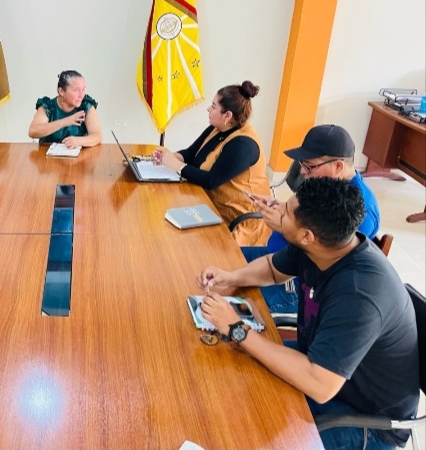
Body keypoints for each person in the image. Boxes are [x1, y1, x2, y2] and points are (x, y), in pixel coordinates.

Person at [197, 177, 418, 450]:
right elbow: (273, 269)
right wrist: (232, 277)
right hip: (319, 365)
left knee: (246, 435)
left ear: (307, 236)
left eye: (286, 212)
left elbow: (319, 385)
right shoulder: (323, 245)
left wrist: (237, 328)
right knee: (225, 371)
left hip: (364, 419)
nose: (278, 209)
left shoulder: (360, 294)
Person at [242, 124, 381, 314]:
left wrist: (282, 225)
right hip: (276, 260)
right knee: (220, 261)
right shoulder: (326, 186)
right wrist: (282, 208)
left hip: (300, 283)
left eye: (309, 166)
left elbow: (324, 260)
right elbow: (311, 220)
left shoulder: (358, 211)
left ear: (338, 166)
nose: (303, 172)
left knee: (228, 299)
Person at [151, 81, 271, 246]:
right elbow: (191, 153)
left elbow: (210, 180)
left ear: (227, 115)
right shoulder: (218, 128)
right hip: (209, 206)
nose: (208, 109)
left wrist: (176, 165)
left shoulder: (243, 145)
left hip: (239, 222)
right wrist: (170, 157)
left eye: (213, 106)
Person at [27, 70, 102, 149]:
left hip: (78, 155)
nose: (81, 95)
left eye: (83, 89)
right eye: (76, 90)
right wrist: (65, 122)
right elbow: (33, 131)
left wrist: (79, 141)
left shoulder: (86, 105)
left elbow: (97, 136)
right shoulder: (48, 106)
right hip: (47, 155)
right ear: (61, 91)